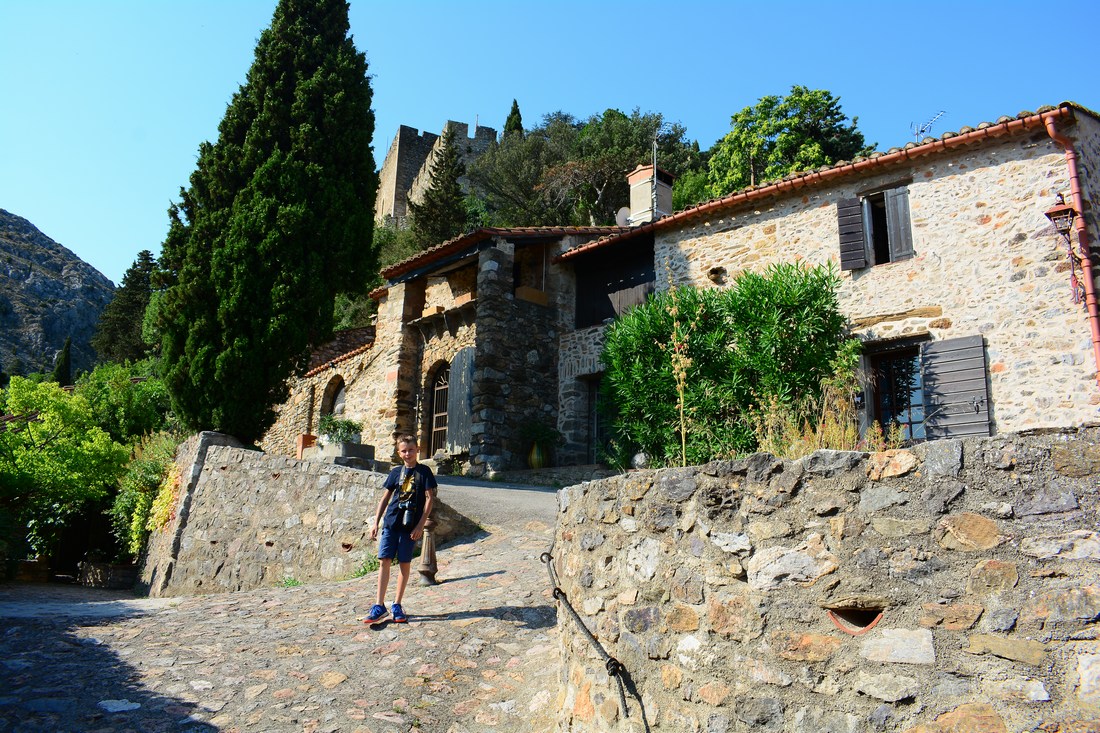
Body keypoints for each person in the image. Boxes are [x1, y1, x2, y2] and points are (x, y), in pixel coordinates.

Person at [365, 434, 437, 623]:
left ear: (417, 450)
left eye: (411, 450)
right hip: (391, 524)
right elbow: (385, 499)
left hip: (410, 527)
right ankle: (379, 606)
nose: (407, 454)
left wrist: (421, 525)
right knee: (384, 561)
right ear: (399, 452)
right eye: (403, 451)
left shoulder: (424, 472)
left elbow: (430, 499)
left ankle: (397, 604)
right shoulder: (396, 472)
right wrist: (376, 522)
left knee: (404, 564)